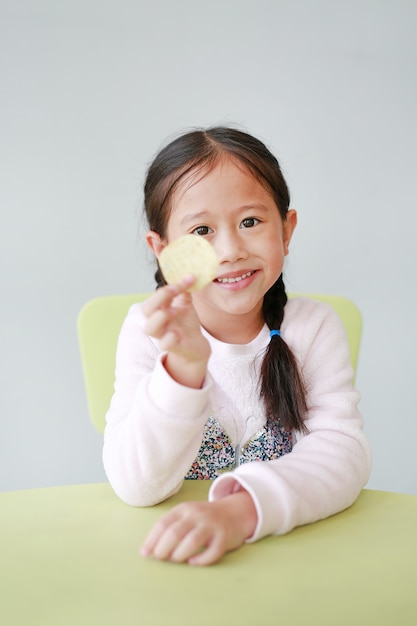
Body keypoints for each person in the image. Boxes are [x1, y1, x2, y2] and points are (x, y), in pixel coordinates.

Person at [103, 126, 372, 566]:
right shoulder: (147, 332)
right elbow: (136, 485)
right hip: (173, 560)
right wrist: (183, 368)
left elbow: (344, 454)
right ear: (163, 250)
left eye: (250, 222)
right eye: (202, 229)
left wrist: (240, 511)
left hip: (292, 558)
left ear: (287, 230)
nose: (229, 250)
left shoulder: (314, 328)